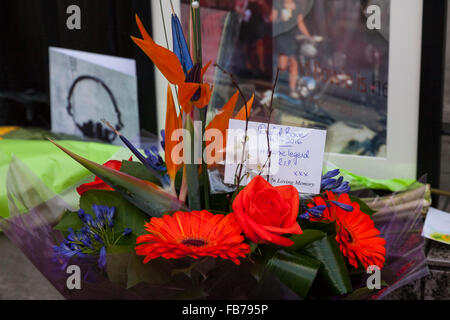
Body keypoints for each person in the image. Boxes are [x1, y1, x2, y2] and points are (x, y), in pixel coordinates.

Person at [273, 0, 314, 98]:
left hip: (291, 38)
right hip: (281, 37)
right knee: (282, 66)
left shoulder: (296, 7)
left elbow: (300, 23)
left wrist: (309, 37)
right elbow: (273, 20)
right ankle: (276, 86)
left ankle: (292, 89)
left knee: (293, 63)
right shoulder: (278, 5)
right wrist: (280, 18)